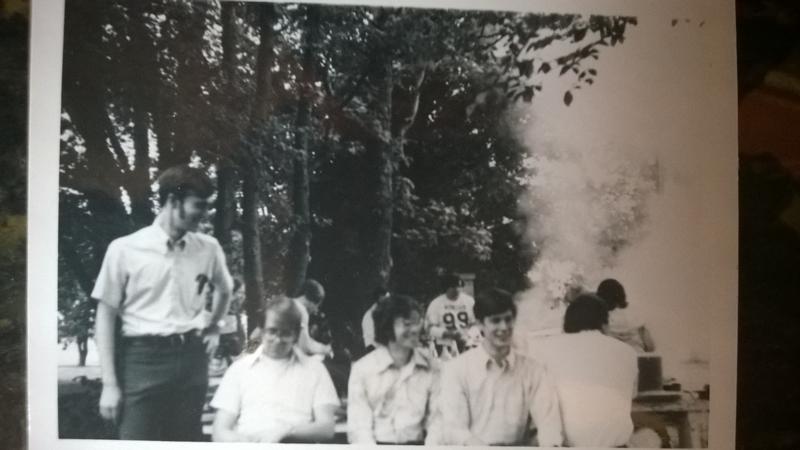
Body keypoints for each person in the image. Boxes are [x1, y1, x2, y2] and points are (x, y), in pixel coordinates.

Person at [92, 165, 234, 441]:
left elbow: (225, 289)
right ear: (172, 201)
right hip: (143, 359)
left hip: (192, 357)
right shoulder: (124, 249)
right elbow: (105, 315)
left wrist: (214, 326)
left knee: (185, 441)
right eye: (199, 205)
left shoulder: (208, 248)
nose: (205, 213)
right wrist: (109, 384)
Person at [439, 288, 563, 446]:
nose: (504, 327)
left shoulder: (533, 370)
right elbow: (454, 428)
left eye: (508, 319)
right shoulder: (457, 369)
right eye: (496, 321)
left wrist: (551, 445)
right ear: (480, 324)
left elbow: (549, 423)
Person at [211, 296, 340, 443]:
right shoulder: (239, 369)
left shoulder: (315, 370)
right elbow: (219, 432)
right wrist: (248, 441)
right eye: (272, 331)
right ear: (262, 331)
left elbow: (326, 428)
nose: (278, 340)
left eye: (286, 333)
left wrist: (286, 431)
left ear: (296, 335)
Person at [531, 294, 639, 447]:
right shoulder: (628, 352)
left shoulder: (545, 348)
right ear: (604, 324)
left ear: (567, 323)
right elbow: (633, 395)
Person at [347, 294, 441, 445]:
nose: (415, 329)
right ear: (387, 327)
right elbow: (359, 427)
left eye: (417, 323)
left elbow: (437, 421)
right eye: (407, 324)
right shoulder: (363, 369)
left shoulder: (433, 368)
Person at [596, 278, 655, 352]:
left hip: (613, 356)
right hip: (636, 356)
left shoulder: (601, 317)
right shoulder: (634, 313)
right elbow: (650, 346)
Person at [425, 273, 476, 357]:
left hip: (466, 342)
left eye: (459, 286)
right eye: (453, 287)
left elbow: (476, 323)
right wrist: (447, 333)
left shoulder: (469, 301)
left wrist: (467, 334)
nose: (457, 289)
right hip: (444, 345)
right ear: (446, 287)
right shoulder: (436, 303)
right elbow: (429, 328)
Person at [293, 279, 333, 358]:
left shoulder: (285, 302)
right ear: (315, 303)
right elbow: (305, 347)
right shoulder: (302, 311)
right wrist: (325, 349)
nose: (315, 311)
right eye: (317, 307)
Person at [361, 286, 389, 351]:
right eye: (386, 296)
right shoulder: (368, 316)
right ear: (380, 298)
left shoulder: (388, 311)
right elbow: (370, 343)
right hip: (378, 350)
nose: (389, 299)